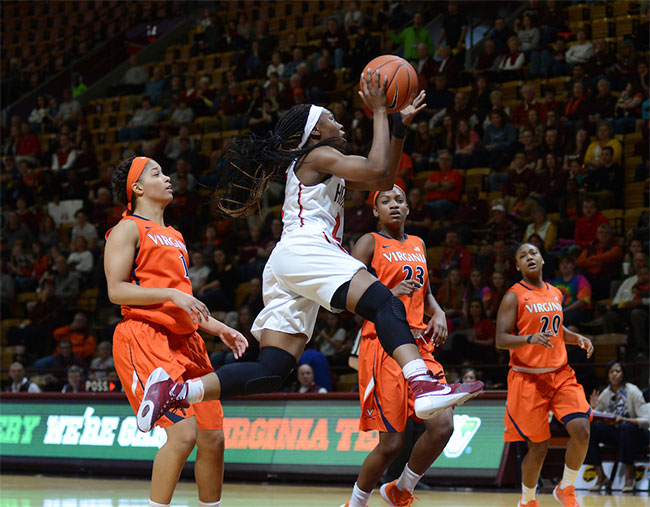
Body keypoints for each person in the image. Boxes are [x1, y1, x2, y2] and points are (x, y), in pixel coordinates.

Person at [135, 72, 482, 433]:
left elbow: (381, 178)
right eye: (331, 118)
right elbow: (378, 168)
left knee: (271, 371)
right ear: (315, 132)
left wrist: (397, 128)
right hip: (307, 248)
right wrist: (379, 111)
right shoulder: (319, 154)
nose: (340, 122)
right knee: (386, 304)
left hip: (290, 260)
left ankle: (175, 389)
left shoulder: (321, 161)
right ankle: (423, 384)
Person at [104, 156, 248, 507]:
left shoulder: (174, 235)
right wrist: (170, 294)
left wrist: (219, 328)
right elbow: (116, 290)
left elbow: (184, 303)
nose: (167, 178)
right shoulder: (128, 228)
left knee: (213, 438)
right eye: (157, 173)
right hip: (145, 335)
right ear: (137, 188)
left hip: (188, 341)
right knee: (183, 434)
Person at [342, 185, 462, 507]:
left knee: (443, 425)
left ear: (408, 207)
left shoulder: (419, 244)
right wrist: (387, 294)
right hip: (384, 344)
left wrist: (437, 311)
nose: (393, 205)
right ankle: (355, 503)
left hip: (420, 344)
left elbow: (426, 290)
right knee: (391, 444)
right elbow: (346, 294)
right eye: (385, 201)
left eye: (399, 200)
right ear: (375, 211)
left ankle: (401, 488)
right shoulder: (369, 242)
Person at [496, 242, 594, 507]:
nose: (529, 258)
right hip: (528, 379)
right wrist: (528, 338)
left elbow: (557, 330)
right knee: (538, 447)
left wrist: (577, 338)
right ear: (517, 265)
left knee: (582, 430)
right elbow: (501, 339)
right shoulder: (513, 296)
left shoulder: (555, 293)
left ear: (541, 259)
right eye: (523, 256)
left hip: (560, 374)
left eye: (533, 253)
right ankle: (527, 501)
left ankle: (567, 487)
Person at [586, 361, 650, 493]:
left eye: (618, 371)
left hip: (638, 433)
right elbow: (593, 416)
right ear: (608, 375)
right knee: (589, 429)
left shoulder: (633, 391)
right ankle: (601, 476)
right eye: (611, 372)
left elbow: (646, 421)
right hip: (618, 433)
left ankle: (629, 477)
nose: (614, 375)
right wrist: (591, 407)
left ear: (623, 374)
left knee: (625, 428)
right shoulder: (606, 393)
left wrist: (625, 419)